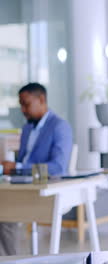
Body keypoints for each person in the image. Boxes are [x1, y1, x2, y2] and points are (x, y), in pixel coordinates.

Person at [0, 82, 73, 255]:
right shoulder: (26, 129)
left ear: (41, 100)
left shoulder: (60, 126)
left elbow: (57, 167)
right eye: (21, 105)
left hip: (44, 189)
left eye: (26, 104)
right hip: (19, 184)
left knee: (5, 214)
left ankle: (13, 260)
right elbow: (24, 158)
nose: (23, 110)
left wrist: (18, 167)